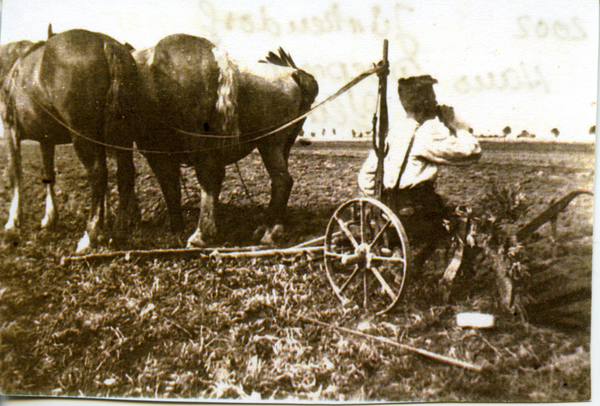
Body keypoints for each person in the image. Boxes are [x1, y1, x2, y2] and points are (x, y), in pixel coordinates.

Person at [358, 75, 481, 249]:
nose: (437, 102)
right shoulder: (425, 134)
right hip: (417, 217)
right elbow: (471, 152)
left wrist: (383, 204)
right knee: (465, 225)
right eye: (433, 98)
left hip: (390, 215)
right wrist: (454, 124)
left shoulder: (393, 133)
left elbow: (365, 178)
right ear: (425, 103)